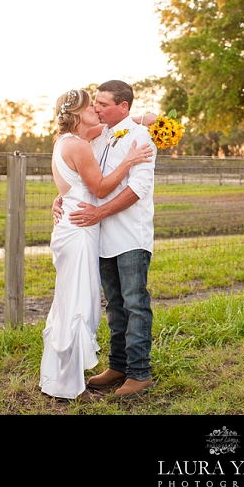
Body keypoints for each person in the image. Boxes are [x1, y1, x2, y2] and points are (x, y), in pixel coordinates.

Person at [40, 88, 153, 401]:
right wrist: (128, 160)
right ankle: (73, 381)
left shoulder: (83, 138)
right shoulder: (81, 142)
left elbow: (133, 185)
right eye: (94, 105)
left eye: (102, 105)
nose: (98, 110)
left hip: (121, 233)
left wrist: (145, 121)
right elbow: (99, 188)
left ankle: (138, 372)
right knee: (83, 304)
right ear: (79, 113)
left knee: (126, 303)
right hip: (83, 229)